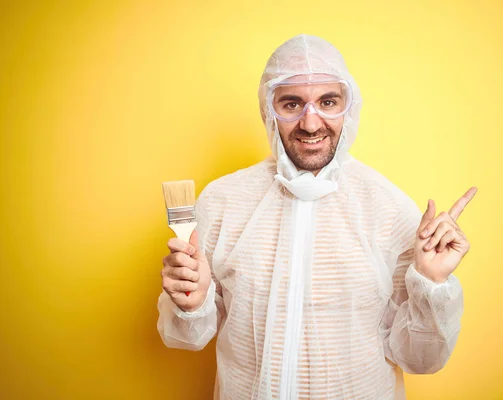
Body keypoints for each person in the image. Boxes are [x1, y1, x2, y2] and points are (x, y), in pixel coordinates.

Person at [157, 34, 477, 400]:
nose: (311, 124)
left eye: (328, 102)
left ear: (348, 107)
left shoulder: (390, 208)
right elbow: (186, 338)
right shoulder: (221, 201)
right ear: (269, 110)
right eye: (292, 104)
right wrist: (191, 303)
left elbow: (420, 360)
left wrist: (431, 284)